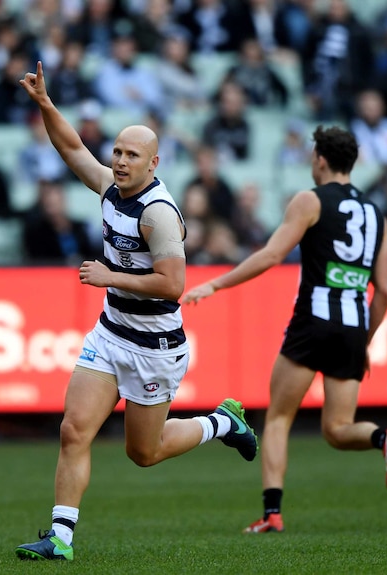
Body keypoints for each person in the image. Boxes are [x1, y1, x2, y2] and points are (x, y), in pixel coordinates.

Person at [14, 62, 259, 561]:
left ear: (154, 163)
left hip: (156, 347)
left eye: (133, 155)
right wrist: (44, 103)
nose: (121, 161)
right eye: (118, 152)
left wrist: (110, 277)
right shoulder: (109, 188)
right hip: (110, 334)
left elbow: (174, 285)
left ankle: (221, 423)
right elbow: (71, 148)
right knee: (73, 429)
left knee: (143, 454)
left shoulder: (159, 213)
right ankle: (60, 538)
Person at [182, 126, 387, 534]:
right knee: (338, 429)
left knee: (278, 417)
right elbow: (386, 291)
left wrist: (216, 283)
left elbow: (271, 254)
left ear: (320, 159)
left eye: (312, 156)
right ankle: (385, 437)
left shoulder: (310, 199)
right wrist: (365, 342)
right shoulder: (376, 215)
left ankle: (272, 513)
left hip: (314, 321)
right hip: (353, 327)